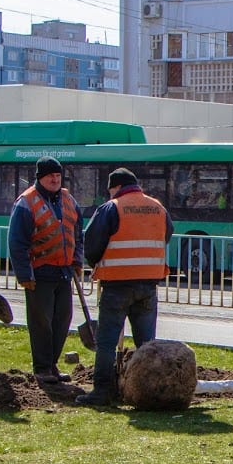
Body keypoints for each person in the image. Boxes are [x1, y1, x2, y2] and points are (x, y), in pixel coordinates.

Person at [76, 167, 174, 406]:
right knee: (147, 345)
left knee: (107, 342)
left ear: (116, 187)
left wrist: (97, 263)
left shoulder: (112, 207)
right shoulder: (158, 207)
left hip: (118, 285)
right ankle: (149, 393)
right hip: (148, 285)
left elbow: (92, 242)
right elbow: (167, 234)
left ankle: (102, 391)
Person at [8, 156, 84, 384]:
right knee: (42, 322)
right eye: (50, 175)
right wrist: (24, 274)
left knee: (62, 319)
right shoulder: (26, 202)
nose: (55, 179)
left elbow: (77, 232)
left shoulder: (68, 199)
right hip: (39, 273)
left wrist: (77, 260)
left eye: (58, 175)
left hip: (63, 271)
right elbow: (17, 242)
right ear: (40, 177)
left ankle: (51, 365)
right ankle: (41, 368)